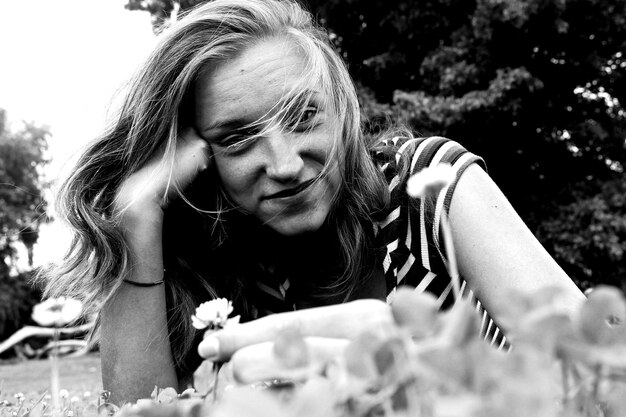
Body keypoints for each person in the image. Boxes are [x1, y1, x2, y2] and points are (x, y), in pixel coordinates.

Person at [41, 0, 586, 405]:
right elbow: (145, 413)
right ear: (195, 160)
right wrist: (136, 219)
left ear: (341, 108)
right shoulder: (199, 257)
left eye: (303, 116)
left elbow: (601, 367)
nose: (283, 164)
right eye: (236, 138)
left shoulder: (427, 185)